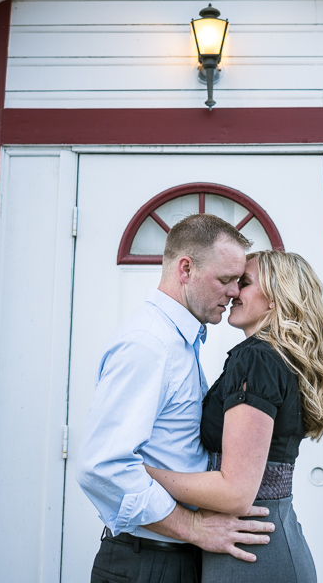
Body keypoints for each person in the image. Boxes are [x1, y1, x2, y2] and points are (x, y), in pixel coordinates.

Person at [77, 214, 276, 583]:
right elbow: (102, 467)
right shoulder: (149, 344)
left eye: (238, 281)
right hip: (148, 565)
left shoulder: (179, 342)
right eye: (225, 279)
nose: (234, 292)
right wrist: (194, 527)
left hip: (173, 559)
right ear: (185, 268)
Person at [146, 250, 323, 583]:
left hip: (253, 551)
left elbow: (234, 493)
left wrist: (143, 472)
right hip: (263, 540)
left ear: (278, 299)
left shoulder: (257, 359)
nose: (233, 292)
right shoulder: (274, 359)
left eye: (244, 283)